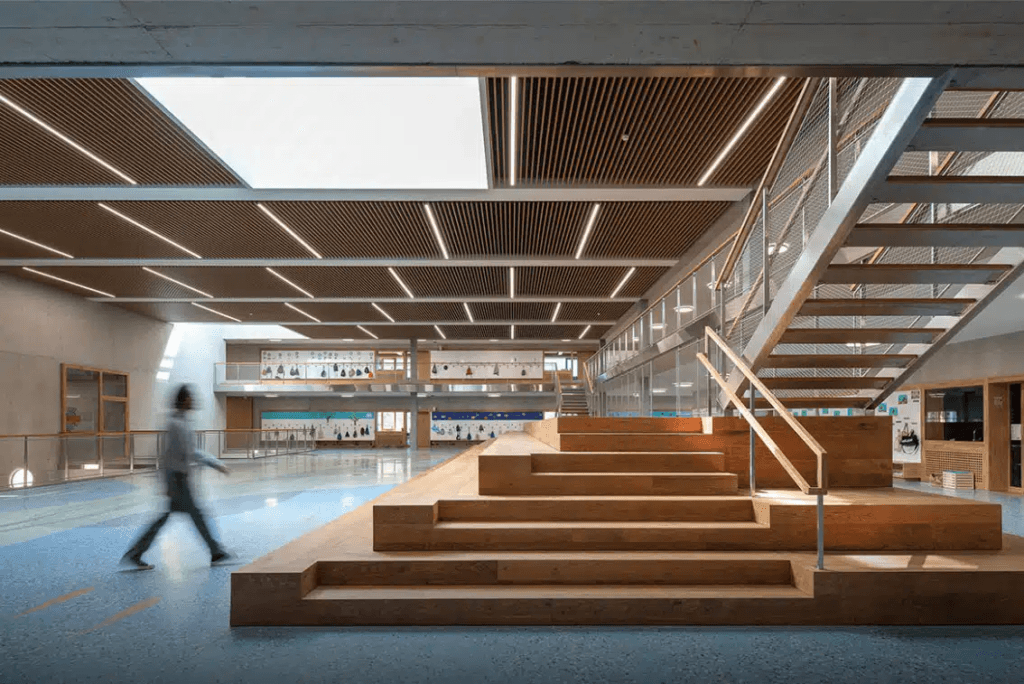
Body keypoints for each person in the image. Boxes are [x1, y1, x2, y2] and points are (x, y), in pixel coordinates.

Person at [122, 384, 232, 570]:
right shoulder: (175, 425)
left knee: (174, 517)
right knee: (195, 515)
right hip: (177, 480)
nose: (194, 401)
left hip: (180, 479)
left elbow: (191, 451)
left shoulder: (183, 423)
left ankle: (136, 552)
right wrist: (167, 483)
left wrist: (214, 463)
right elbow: (168, 457)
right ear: (184, 400)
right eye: (190, 397)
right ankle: (215, 552)